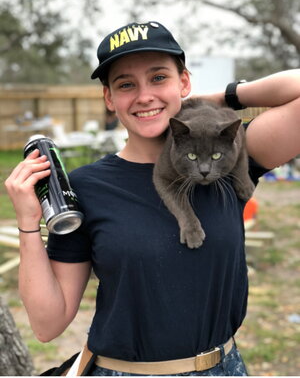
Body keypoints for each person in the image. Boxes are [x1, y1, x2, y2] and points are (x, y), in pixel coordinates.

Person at [5, 21, 300, 376]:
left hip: (224, 367)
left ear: (185, 82)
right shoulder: (88, 187)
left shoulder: (229, 156)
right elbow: (46, 324)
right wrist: (26, 223)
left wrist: (222, 97)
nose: (144, 95)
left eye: (159, 78)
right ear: (109, 99)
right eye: (126, 84)